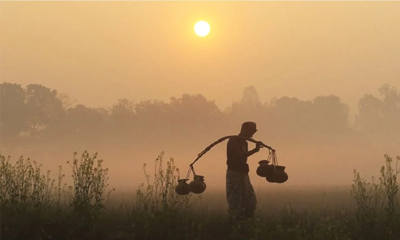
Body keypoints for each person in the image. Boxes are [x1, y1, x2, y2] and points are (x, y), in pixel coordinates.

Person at [226, 121, 262, 223]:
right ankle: (234, 223)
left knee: (250, 200)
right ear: (245, 130)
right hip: (234, 173)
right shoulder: (233, 141)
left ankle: (245, 221)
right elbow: (238, 155)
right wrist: (255, 150)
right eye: (251, 131)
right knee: (235, 200)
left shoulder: (244, 142)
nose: (252, 134)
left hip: (243, 173)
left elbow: (243, 155)